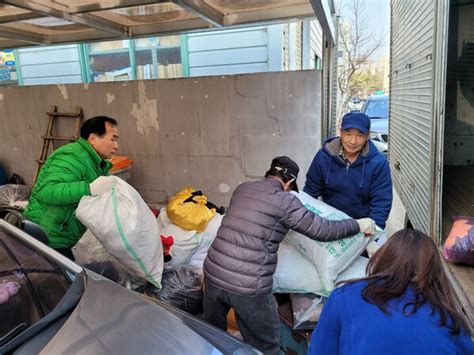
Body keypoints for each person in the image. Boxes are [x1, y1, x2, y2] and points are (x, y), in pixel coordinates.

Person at [203, 156, 376, 355]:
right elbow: (323, 230)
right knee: (266, 346)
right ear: (289, 182)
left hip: (213, 276)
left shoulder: (243, 188)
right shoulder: (286, 201)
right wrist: (358, 225)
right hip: (249, 288)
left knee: (211, 334)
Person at [308, 228, 474, 355]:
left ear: (383, 257)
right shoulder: (450, 320)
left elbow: (320, 350)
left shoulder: (344, 298)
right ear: (434, 270)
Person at [24, 116, 120, 260]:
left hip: (61, 238)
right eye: (113, 139)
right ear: (93, 139)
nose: (116, 145)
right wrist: (88, 188)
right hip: (46, 238)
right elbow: (47, 190)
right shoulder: (72, 156)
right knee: (65, 280)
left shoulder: (97, 164)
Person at [304, 112, 392, 229]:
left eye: (360, 136)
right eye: (348, 134)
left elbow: (381, 201)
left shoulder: (378, 163)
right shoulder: (324, 157)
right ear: (341, 132)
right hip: (329, 223)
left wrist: (374, 228)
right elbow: (310, 191)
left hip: (362, 225)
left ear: (367, 136)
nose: (353, 141)